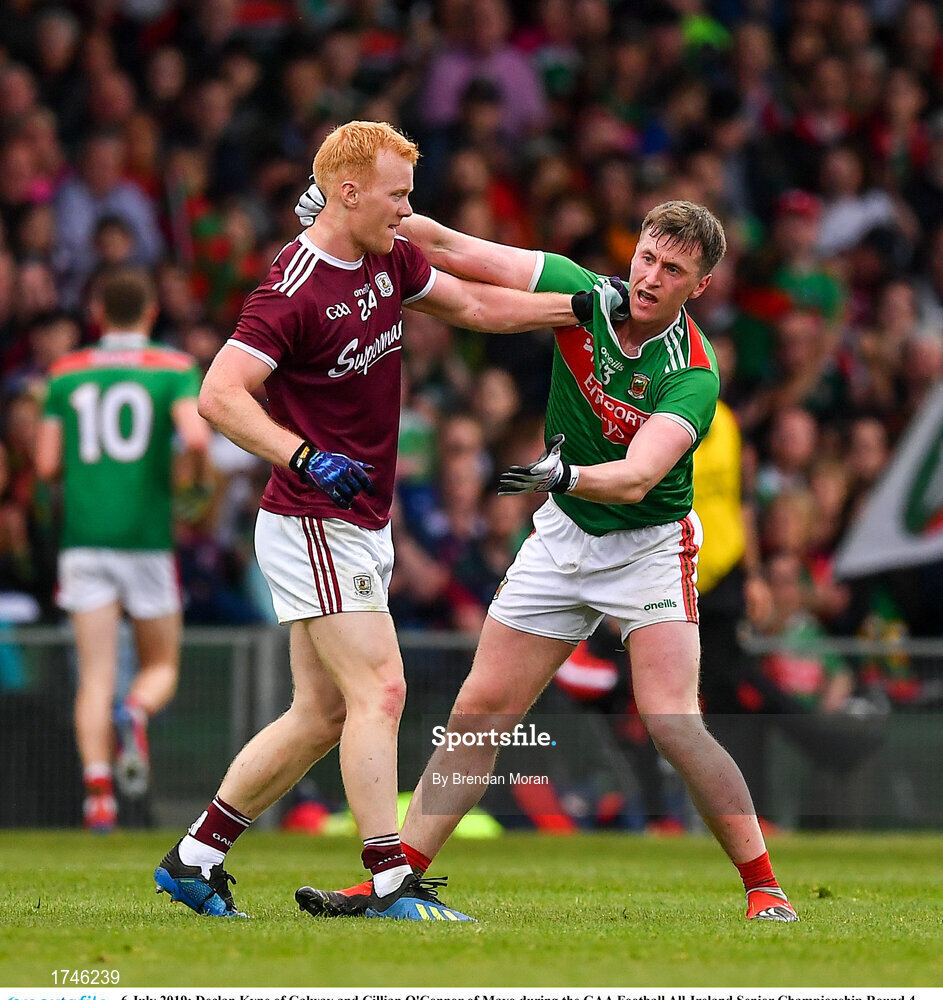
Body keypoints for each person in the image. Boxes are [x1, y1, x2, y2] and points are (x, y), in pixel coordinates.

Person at [152, 120, 620, 919]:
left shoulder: (387, 254)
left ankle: (193, 858)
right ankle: (390, 881)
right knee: (383, 691)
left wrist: (574, 307)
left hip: (357, 518)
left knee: (320, 713)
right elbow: (219, 394)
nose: (408, 210)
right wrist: (301, 456)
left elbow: (471, 304)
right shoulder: (293, 288)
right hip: (313, 516)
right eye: (397, 195)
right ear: (348, 190)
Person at [294, 184, 799, 922]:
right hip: (562, 534)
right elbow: (450, 248)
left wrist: (564, 473)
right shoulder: (581, 293)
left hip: (647, 548)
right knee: (477, 711)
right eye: (647, 258)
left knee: (671, 722)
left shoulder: (691, 371)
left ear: (702, 287)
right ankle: (392, 883)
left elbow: (635, 480)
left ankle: (764, 888)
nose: (651, 279)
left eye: (672, 272)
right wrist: (353, 215)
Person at [34, 267, 212, 832]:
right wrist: (193, 481)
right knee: (159, 665)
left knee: (94, 675)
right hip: (145, 541)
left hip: (83, 542)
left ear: (97, 314)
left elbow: (45, 464)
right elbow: (198, 435)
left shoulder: (64, 374)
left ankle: (99, 797)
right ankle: (135, 712)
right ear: (152, 312)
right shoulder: (174, 369)